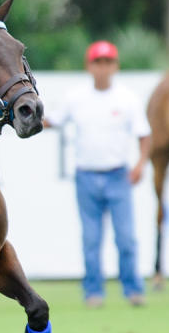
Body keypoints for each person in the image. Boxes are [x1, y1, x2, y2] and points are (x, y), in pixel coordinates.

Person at [45, 40, 151, 308]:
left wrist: (140, 164)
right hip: (87, 176)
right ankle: (93, 291)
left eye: (107, 62)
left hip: (118, 175)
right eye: (98, 62)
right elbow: (52, 121)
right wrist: (25, 115)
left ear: (115, 66)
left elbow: (143, 134)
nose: (102, 68)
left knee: (126, 238)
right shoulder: (76, 98)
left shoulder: (127, 98)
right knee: (91, 239)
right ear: (89, 66)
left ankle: (133, 289)